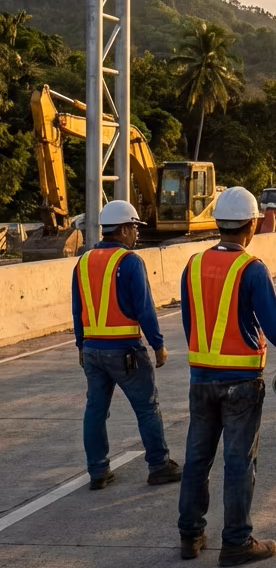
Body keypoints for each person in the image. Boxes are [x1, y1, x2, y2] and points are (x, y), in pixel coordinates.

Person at [177, 187, 276, 566]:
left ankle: (190, 535)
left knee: (197, 459)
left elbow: (190, 322)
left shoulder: (193, 264)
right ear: (253, 225)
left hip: (201, 377)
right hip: (241, 380)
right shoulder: (252, 268)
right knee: (238, 462)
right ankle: (237, 541)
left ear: (218, 223)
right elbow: (275, 328)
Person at [72, 200, 180, 490]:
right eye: (134, 227)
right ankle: (159, 465)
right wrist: (158, 345)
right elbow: (144, 308)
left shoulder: (83, 262)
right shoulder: (130, 261)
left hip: (92, 351)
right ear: (122, 229)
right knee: (147, 408)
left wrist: (81, 345)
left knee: (95, 411)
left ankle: (98, 471)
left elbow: (77, 309)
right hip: (125, 351)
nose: (136, 233)